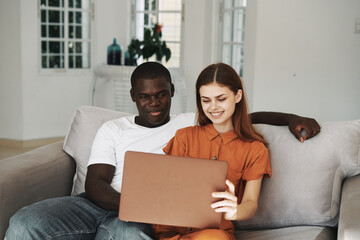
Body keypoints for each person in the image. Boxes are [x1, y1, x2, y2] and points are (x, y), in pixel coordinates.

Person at [6, 62, 320, 240]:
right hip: (102, 204)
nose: (153, 103)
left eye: (160, 94)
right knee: (22, 222)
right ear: (133, 96)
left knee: (125, 236)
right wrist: (136, 203)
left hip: (148, 215)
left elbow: (243, 118)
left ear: (172, 92)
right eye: (145, 97)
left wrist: (292, 118)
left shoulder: (191, 124)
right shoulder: (113, 128)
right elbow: (95, 184)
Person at [154, 62, 271, 239]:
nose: (213, 107)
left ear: (237, 96)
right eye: (206, 100)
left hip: (213, 233)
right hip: (170, 230)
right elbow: (167, 186)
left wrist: (235, 211)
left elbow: (250, 203)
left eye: (221, 99)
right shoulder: (184, 137)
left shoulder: (255, 149)